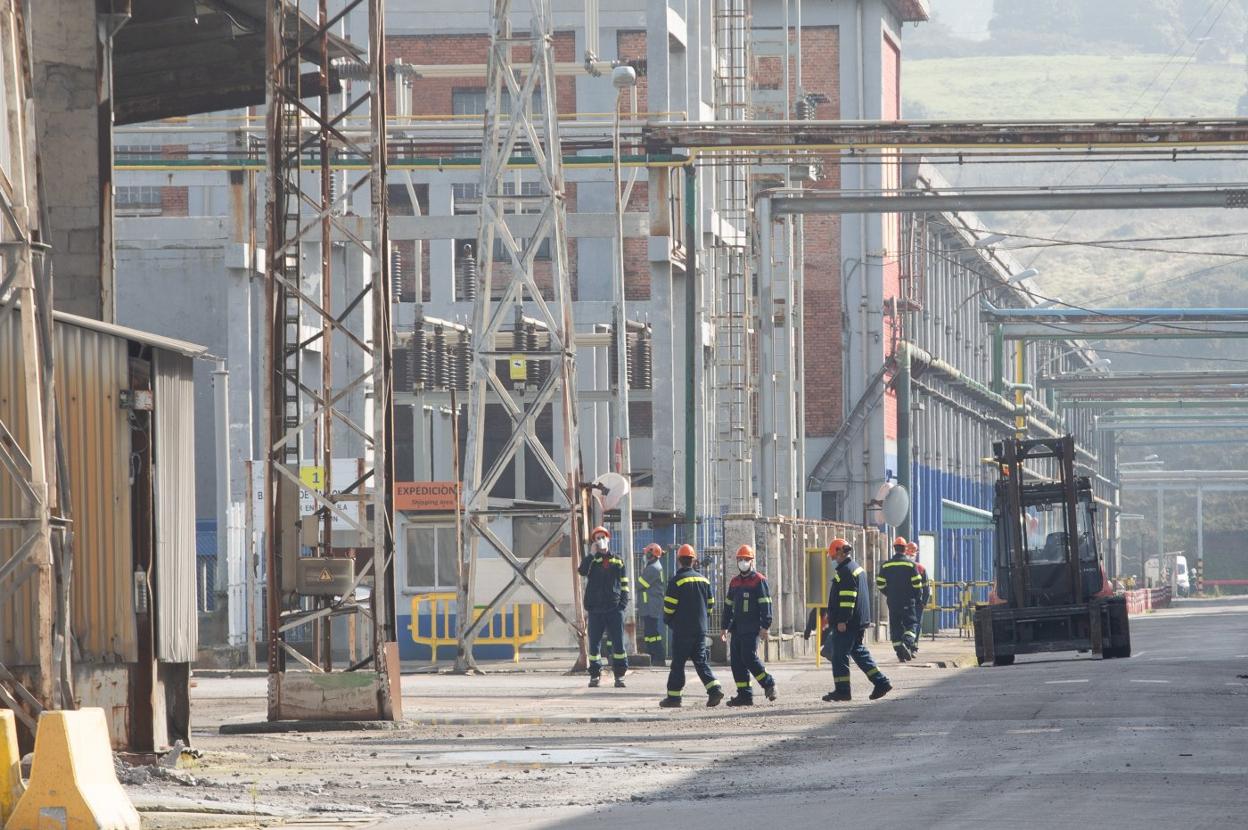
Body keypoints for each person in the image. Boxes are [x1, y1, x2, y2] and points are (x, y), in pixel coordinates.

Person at [823, 538, 891, 702]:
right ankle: (881, 682)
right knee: (858, 653)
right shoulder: (855, 569)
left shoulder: (846, 571)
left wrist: (842, 620)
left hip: (848, 623)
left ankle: (842, 690)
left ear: (840, 553)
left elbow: (847, 599)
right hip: (858, 621)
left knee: (839, 655)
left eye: (833, 557)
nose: (832, 560)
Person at [659, 544, 724, 708]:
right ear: (693, 560)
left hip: (682, 630)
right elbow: (711, 603)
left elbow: (669, 606)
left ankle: (674, 698)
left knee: (678, 664)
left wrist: (668, 620)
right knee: (701, 661)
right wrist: (703, 619)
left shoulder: (676, 581)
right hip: (700, 629)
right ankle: (714, 689)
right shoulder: (704, 580)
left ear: (679, 560)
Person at [721, 545, 777, 706]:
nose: (743, 562)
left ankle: (769, 684)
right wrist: (724, 626)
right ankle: (744, 695)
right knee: (737, 662)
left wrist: (765, 626)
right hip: (737, 628)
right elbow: (728, 606)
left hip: (752, 628)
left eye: (746, 559)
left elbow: (766, 605)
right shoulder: (734, 582)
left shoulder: (759, 580)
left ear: (752, 561)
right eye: (740, 559)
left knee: (749, 658)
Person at [577, 526, 630, 688]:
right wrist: (592, 554)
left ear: (608, 539)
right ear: (594, 542)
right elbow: (581, 571)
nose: (600, 540)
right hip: (595, 610)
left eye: (603, 537)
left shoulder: (618, 560)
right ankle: (594, 676)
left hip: (614, 609)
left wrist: (622, 604)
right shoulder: (592, 561)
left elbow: (624, 584)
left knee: (618, 644)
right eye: (597, 538)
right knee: (594, 645)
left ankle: (619, 676)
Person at [876, 535, 923, 661]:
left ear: (894, 548)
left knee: (895, 626)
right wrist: (917, 596)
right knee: (911, 624)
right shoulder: (910, 565)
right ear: (904, 548)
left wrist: (889, 593)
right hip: (908, 601)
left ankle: (899, 652)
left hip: (893, 602)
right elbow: (917, 584)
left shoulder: (886, 566)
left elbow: (880, 583)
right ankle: (906, 644)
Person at [637, 543, 667, 667]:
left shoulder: (652, 568)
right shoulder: (653, 566)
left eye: (646, 553)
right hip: (650, 604)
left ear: (651, 554)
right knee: (649, 632)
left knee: (652, 632)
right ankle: (652, 655)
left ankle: (659, 657)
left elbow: (639, 584)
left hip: (651, 604)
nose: (644, 555)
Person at [906, 540, 931, 654]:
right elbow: (926, 588)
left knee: (906, 624)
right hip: (917, 601)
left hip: (906, 601)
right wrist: (924, 601)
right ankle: (913, 645)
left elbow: (926, 587)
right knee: (915, 624)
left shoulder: (902, 568)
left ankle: (909, 645)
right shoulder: (921, 568)